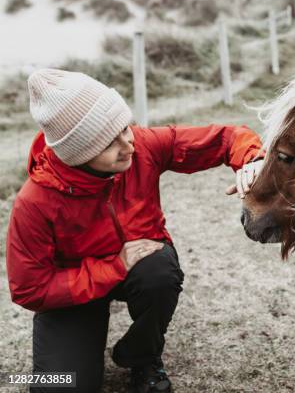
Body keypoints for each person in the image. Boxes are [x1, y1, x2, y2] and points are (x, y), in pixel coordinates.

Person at [5, 69, 265, 392]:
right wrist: (114, 267)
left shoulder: (141, 145)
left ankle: (141, 357)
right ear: (78, 155)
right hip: (74, 291)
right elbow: (29, 288)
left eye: (124, 126)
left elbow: (226, 139)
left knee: (159, 272)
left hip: (141, 267)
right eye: (109, 142)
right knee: (59, 387)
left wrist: (253, 160)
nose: (128, 144)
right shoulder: (34, 202)